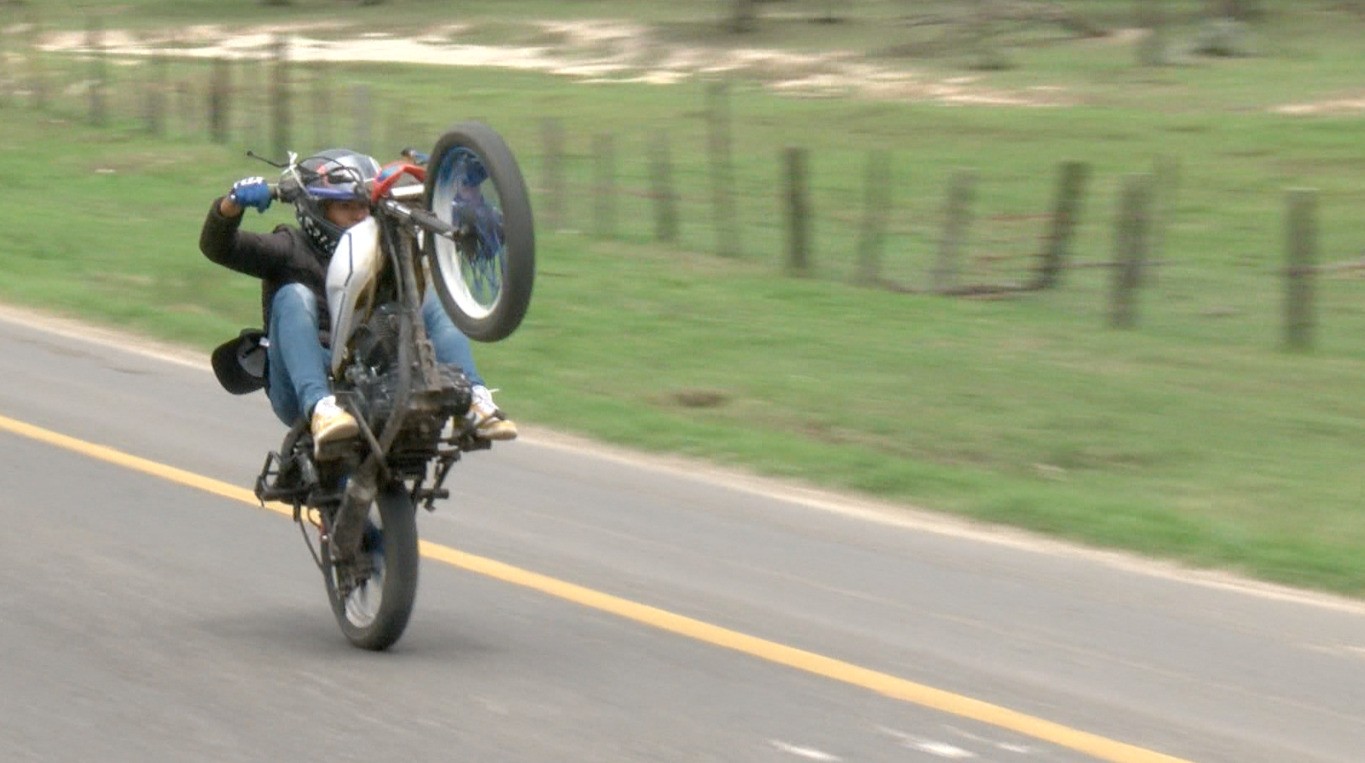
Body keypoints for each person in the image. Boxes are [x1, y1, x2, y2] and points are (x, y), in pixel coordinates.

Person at [199, 148, 517, 457]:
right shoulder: (291, 248)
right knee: (293, 296)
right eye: (346, 207)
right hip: (299, 386)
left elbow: (492, 237)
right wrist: (230, 205)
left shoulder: (386, 245)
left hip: (376, 375)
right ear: (317, 211)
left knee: (432, 296)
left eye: (364, 204)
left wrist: (467, 198)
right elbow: (219, 248)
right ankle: (322, 408)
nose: (360, 215)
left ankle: (475, 401)